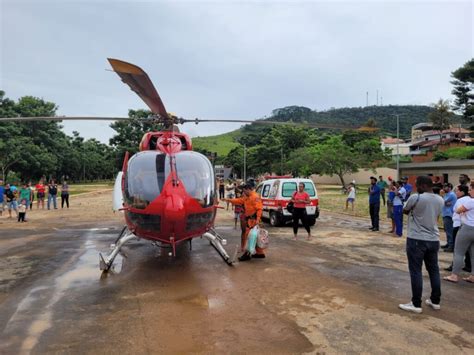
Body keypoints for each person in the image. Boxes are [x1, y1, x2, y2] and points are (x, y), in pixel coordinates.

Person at [398, 176, 444, 314]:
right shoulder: (440, 199)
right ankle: (435, 301)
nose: (416, 187)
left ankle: (416, 303)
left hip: (416, 239)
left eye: (417, 185)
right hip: (434, 239)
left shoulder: (416, 198)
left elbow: (405, 211)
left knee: (416, 271)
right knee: (434, 270)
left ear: (424, 186)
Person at [443, 181, 474, 283]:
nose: (469, 192)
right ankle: (473, 276)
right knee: (473, 253)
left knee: (459, 252)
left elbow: (457, 210)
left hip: (467, 227)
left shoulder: (470, 201)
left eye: (470, 189)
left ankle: (454, 275)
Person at [225, 182, 265, 261]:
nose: (243, 193)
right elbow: (239, 201)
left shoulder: (255, 197)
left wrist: (257, 219)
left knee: (249, 236)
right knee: (255, 237)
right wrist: (228, 200)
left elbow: (259, 209)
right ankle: (260, 253)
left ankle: (248, 254)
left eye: (244, 191)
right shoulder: (247, 197)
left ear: (248, 189)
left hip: (253, 221)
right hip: (250, 220)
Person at [441, 183, 457, 252]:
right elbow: (445, 203)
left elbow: (443, 201)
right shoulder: (447, 194)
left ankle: (451, 246)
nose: (444, 188)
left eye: (445, 187)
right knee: (447, 230)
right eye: (443, 187)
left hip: (449, 215)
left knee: (449, 231)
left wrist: (441, 196)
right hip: (445, 214)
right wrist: (445, 202)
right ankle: (448, 243)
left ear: (450, 187)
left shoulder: (451, 194)